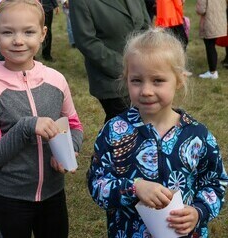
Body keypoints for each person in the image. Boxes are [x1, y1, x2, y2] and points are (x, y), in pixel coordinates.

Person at [88, 28, 228, 238]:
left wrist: (199, 211)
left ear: (179, 80)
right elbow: (97, 183)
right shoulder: (113, 132)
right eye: (136, 80)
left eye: (158, 81)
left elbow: (216, 182)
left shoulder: (197, 135)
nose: (146, 90)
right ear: (126, 79)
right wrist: (133, 189)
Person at [0, 0, 83, 237]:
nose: (18, 40)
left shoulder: (56, 80)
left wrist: (69, 150)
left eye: (29, 31)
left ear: (43, 34)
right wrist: (26, 127)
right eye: (7, 32)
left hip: (54, 195)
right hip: (10, 199)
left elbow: (74, 126)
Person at [69, 0, 150, 123]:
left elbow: (144, 25)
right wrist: (124, 67)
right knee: (121, 125)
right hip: (111, 78)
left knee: (143, 122)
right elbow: (86, 41)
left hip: (142, 70)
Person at [197, 0, 227, 79]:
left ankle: (212, 72)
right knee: (211, 45)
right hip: (220, 20)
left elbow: (201, 10)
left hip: (209, 20)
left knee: (210, 46)